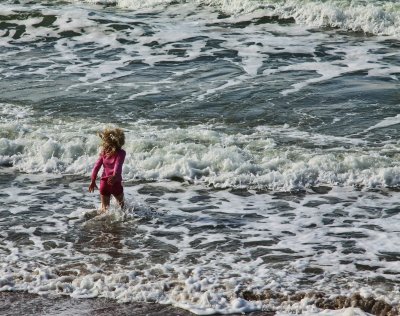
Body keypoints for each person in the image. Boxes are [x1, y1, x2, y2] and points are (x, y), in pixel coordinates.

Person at [89, 128, 126, 213]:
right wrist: (114, 176)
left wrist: (93, 180)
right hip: (115, 182)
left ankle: (103, 224)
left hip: (104, 183)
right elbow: (118, 165)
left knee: (104, 210)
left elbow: (96, 167)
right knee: (122, 207)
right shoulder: (121, 152)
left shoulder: (104, 152)